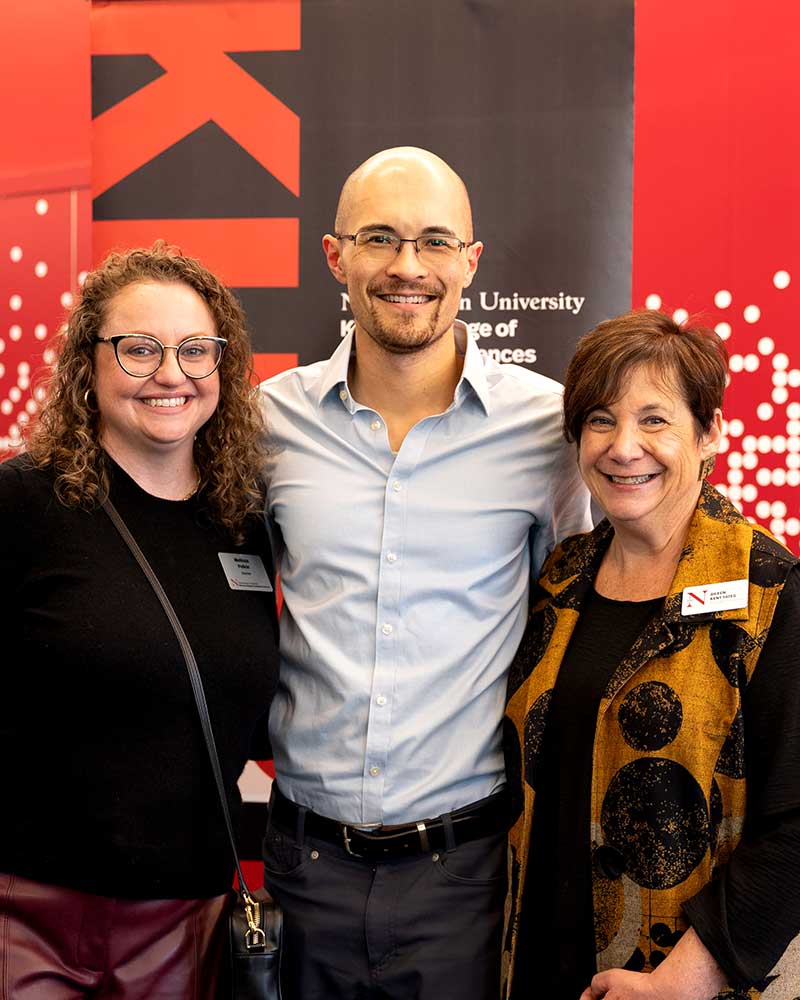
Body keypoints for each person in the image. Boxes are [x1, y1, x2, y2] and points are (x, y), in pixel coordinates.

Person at [259, 145, 592, 999]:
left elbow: (580, 619)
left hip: (467, 874)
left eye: (436, 242)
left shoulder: (549, 430)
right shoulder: (265, 423)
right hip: (302, 868)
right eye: (380, 238)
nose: (408, 268)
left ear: (471, 263)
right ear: (335, 256)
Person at [0, 244, 279, 998]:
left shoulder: (242, 523)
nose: (171, 374)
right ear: (88, 365)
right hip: (29, 916)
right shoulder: (23, 504)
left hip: (186, 923)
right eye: (139, 349)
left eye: (196, 351)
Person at [504, 309, 800, 1000]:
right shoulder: (559, 579)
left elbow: (794, 827)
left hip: (680, 979)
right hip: (540, 961)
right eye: (600, 420)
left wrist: (685, 980)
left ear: (710, 434)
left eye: (655, 420)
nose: (623, 446)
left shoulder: (769, 592)